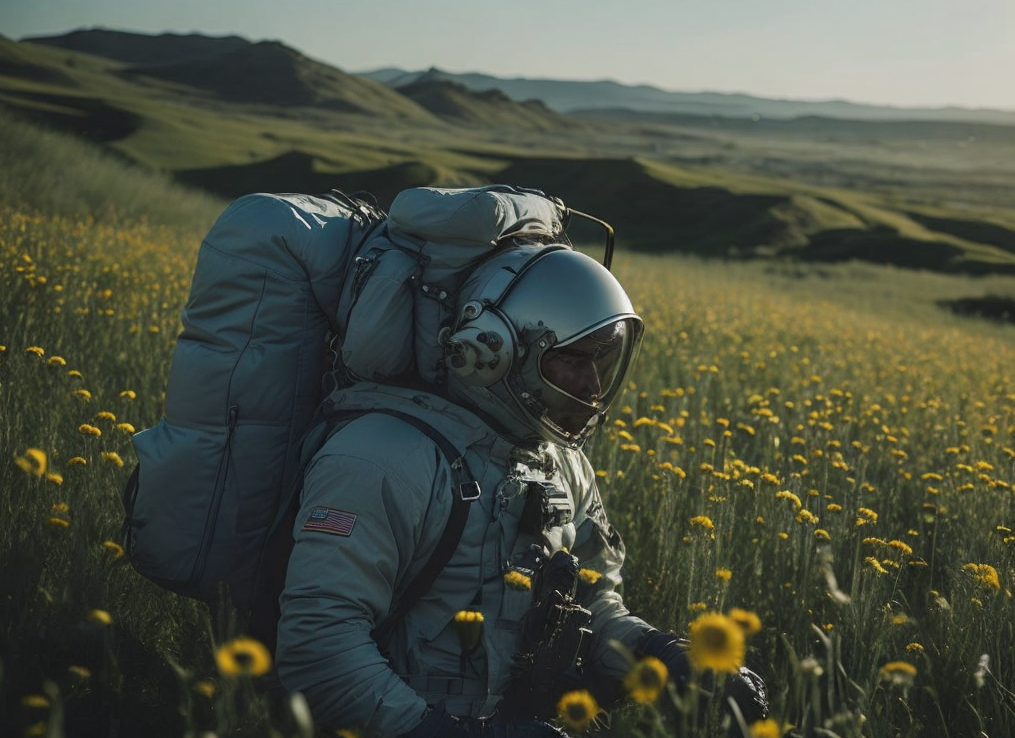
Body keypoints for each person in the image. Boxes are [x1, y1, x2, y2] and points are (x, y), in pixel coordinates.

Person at [274, 243, 767, 737]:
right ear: (495, 351)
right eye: (574, 360)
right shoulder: (381, 460)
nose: (594, 385)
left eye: (604, 360)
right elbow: (318, 649)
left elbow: (594, 607)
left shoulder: (559, 462)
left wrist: (669, 659)